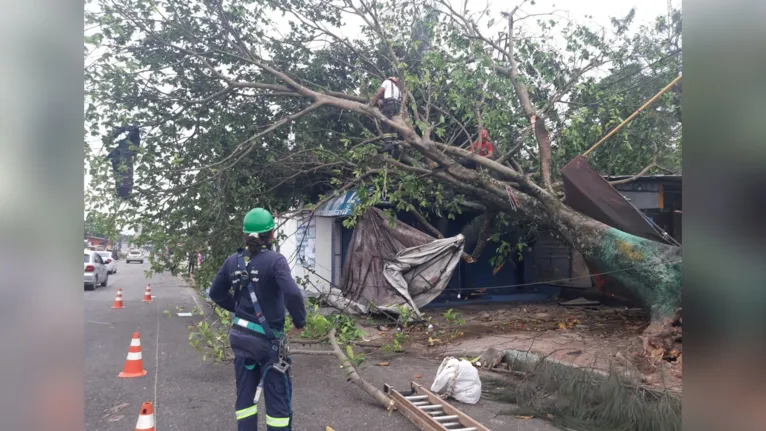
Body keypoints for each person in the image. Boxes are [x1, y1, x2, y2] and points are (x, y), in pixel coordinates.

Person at [209, 207, 307, 431]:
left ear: (245, 235)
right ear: (271, 234)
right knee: (278, 406)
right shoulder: (275, 261)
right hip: (268, 343)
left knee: (245, 399)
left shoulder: (232, 261)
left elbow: (215, 293)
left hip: (240, 338)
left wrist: (236, 307)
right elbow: (292, 293)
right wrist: (299, 322)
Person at [370, 76, 402, 156]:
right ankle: (395, 142)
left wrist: (373, 103)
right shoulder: (398, 89)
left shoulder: (387, 82)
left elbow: (379, 93)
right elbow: (400, 100)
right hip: (397, 107)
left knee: (384, 121)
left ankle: (388, 143)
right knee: (392, 124)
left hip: (389, 105)